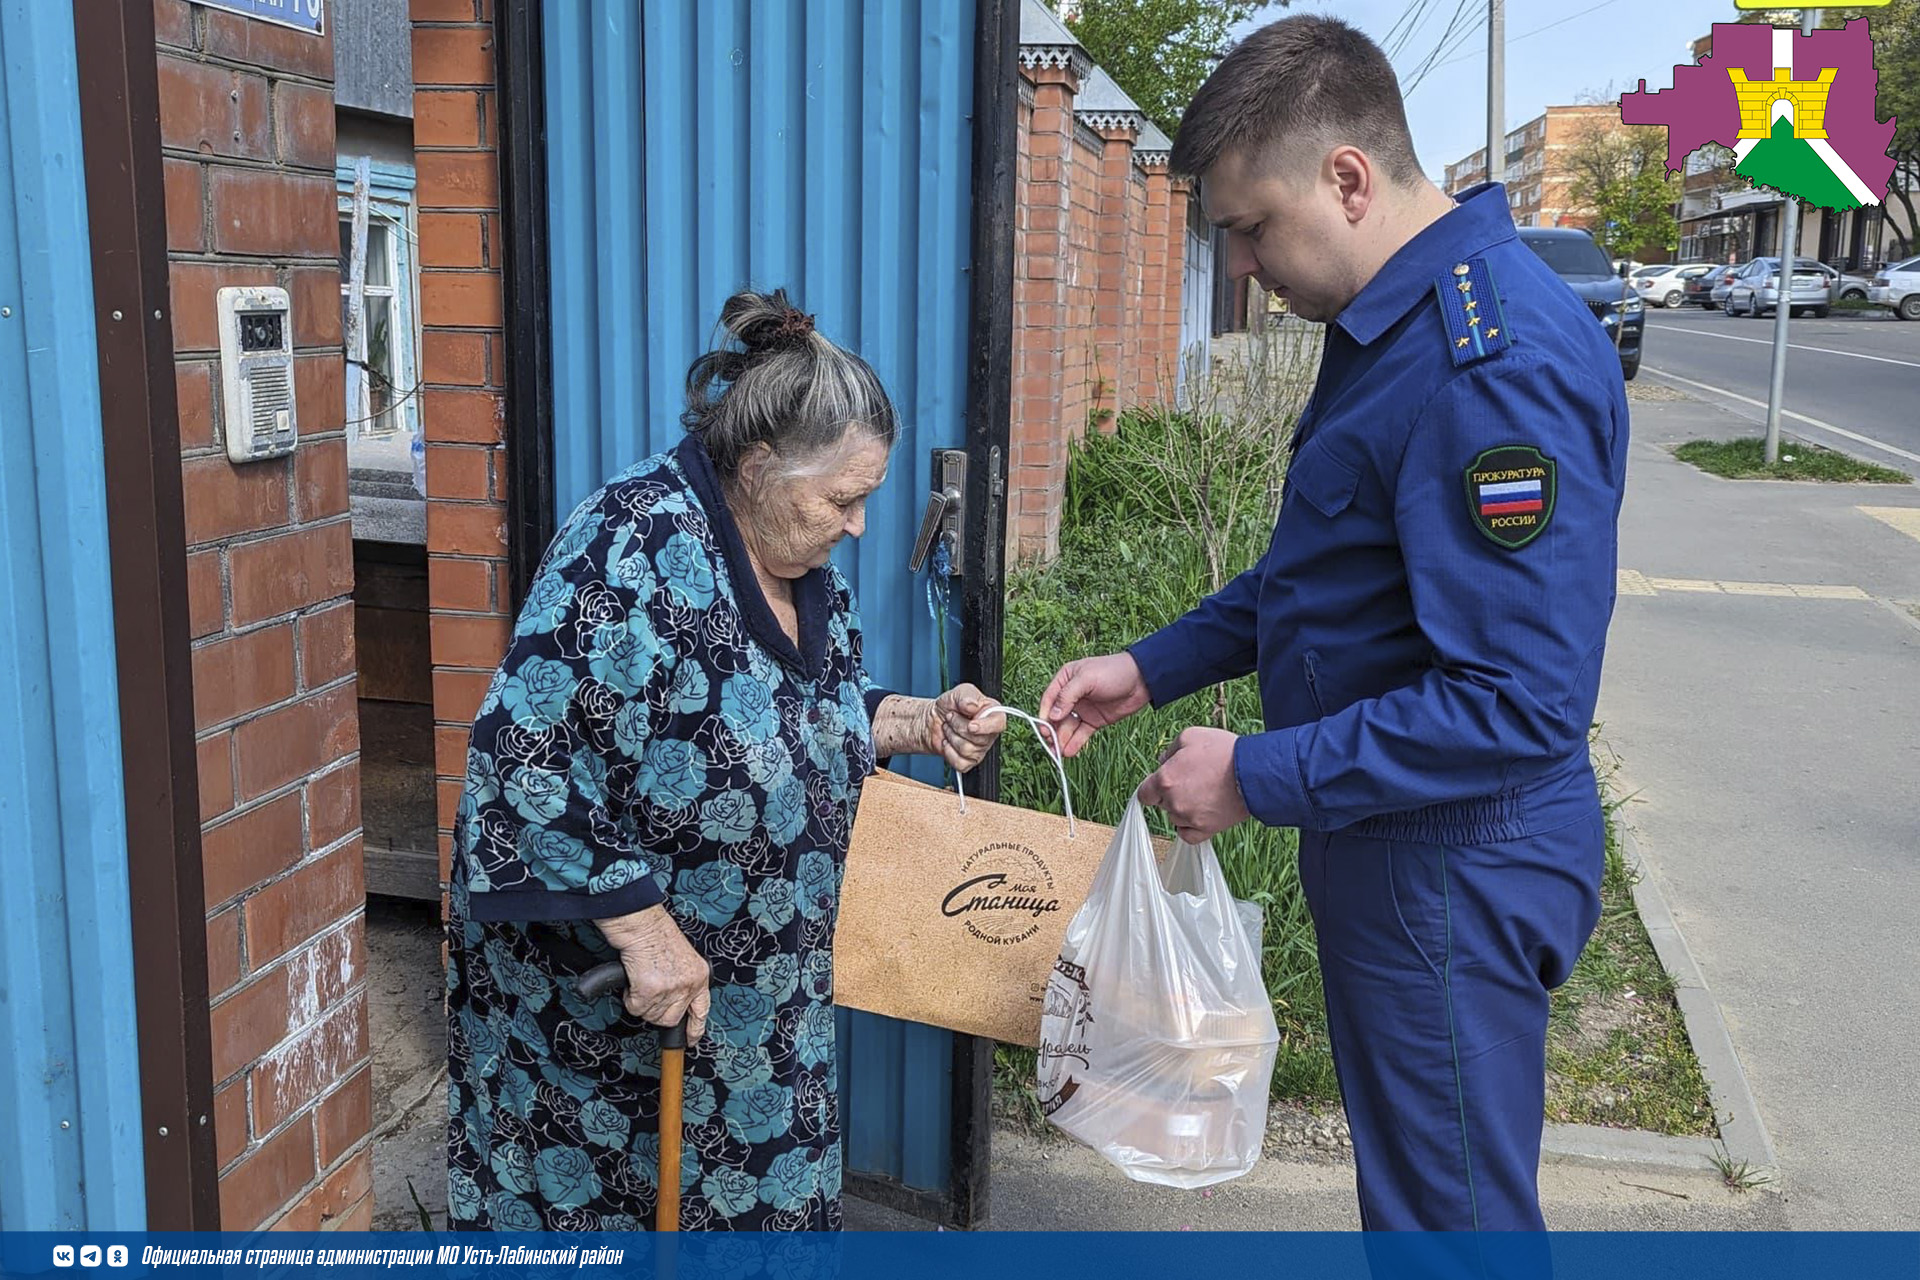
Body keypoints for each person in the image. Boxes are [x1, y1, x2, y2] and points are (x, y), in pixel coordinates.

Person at [1043, 16, 1629, 1234]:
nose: (1245, 266)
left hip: (1454, 862)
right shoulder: (1389, 323)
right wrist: (1151, 668)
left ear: (1347, 179)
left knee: (1447, 1226)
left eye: (1253, 228)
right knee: (1425, 1205)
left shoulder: (1487, 365)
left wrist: (1258, 773)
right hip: (1403, 841)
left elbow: (1519, 700)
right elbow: (1326, 577)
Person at [445, 288, 1006, 1231]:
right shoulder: (630, 551)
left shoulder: (799, 567)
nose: (860, 527)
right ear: (756, 465)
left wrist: (913, 721)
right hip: (618, 1052)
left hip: (767, 1030)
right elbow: (524, 762)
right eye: (845, 499)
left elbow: (787, 720)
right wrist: (641, 927)